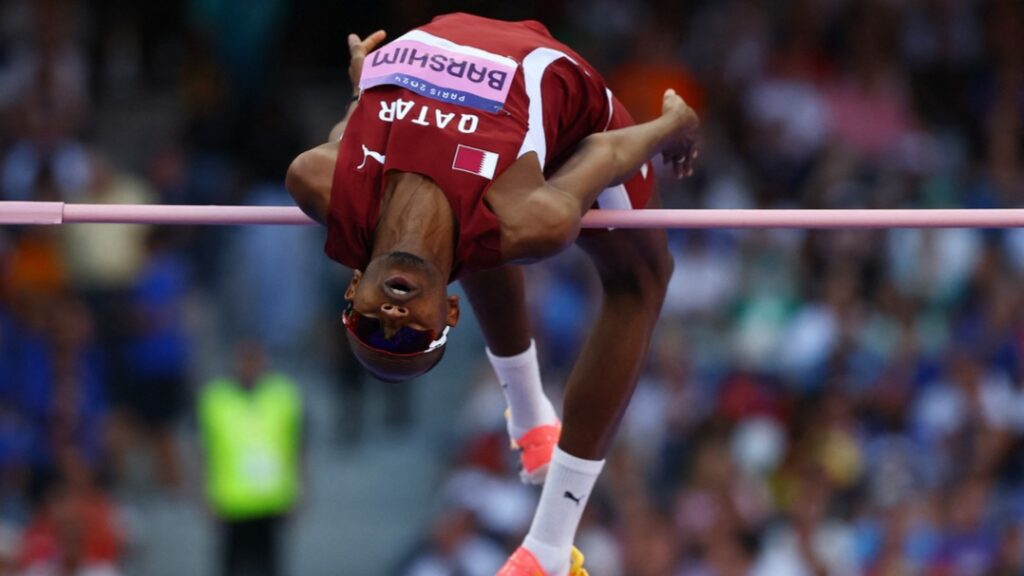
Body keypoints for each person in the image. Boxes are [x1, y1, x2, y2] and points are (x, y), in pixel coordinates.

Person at [286, 13, 699, 575]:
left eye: (373, 326)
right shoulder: (530, 220)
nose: (393, 315)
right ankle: (550, 545)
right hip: (573, 116)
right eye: (409, 333)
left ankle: (529, 418)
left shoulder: (317, 180)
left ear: (354, 286)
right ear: (449, 309)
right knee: (641, 279)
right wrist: (672, 125)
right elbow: (602, 155)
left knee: (465, 232)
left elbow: (353, 129)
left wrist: (365, 87)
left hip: (439, 40)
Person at [197, 342, 303, 576]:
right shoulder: (215, 399)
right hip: (232, 500)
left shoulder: (283, 395)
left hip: (271, 498)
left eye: (254, 359)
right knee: (232, 566)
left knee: (269, 565)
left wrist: (298, 490)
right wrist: (205, 494)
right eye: (244, 360)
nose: (249, 366)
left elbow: (297, 446)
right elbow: (205, 450)